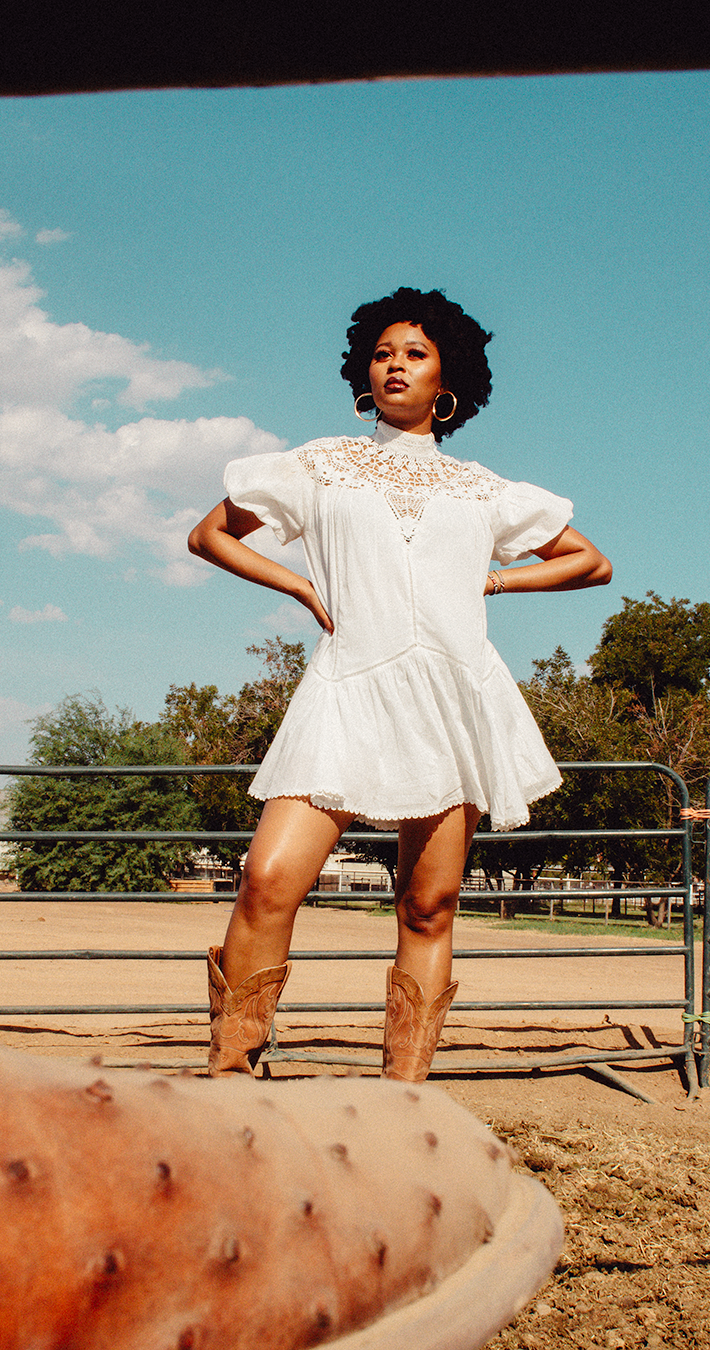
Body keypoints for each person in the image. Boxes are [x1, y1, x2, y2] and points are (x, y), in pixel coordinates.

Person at [188, 287, 611, 1081]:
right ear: (363, 370)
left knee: (429, 906)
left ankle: (403, 1098)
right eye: (383, 353)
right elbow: (209, 534)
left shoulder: (482, 489)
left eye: (414, 354)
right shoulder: (321, 465)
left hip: (453, 700)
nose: (395, 366)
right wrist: (302, 588)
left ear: (447, 378)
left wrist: (495, 584)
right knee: (267, 879)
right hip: (348, 690)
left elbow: (590, 561)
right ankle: (230, 1081)